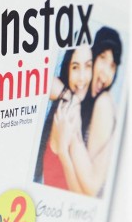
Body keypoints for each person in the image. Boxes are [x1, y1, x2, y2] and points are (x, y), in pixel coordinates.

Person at [34, 44, 93, 191]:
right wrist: (72, 99)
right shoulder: (70, 113)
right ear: (67, 70)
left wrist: (71, 97)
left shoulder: (72, 105)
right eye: (75, 67)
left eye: (88, 66)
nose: (82, 77)